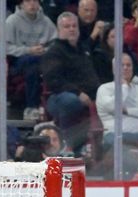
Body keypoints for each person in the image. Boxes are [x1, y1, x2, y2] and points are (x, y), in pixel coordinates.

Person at [40, 11, 100, 155]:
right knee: (70, 101)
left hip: (90, 95)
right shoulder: (54, 52)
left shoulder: (83, 49)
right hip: (59, 97)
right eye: (67, 26)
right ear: (59, 30)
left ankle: (100, 147)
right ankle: (67, 144)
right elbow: (54, 81)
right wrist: (78, 93)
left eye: (74, 26)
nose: (72, 29)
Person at [96, 52, 138, 152]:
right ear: (114, 69)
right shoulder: (104, 89)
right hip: (115, 136)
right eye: (121, 65)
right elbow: (115, 107)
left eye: (128, 65)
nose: (125, 68)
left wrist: (128, 111)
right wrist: (124, 87)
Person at [5, 0, 57, 121]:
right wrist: (28, 50)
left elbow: (56, 42)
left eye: (35, 1)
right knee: (32, 61)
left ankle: (37, 107)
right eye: (28, 1)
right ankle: (31, 107)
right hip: (18, 62)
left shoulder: (45, 21)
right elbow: (2, 47)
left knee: (35, 67)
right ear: (21, 4)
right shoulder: (11, 21)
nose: (32, 4)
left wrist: (45, 50)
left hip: (40, 59)